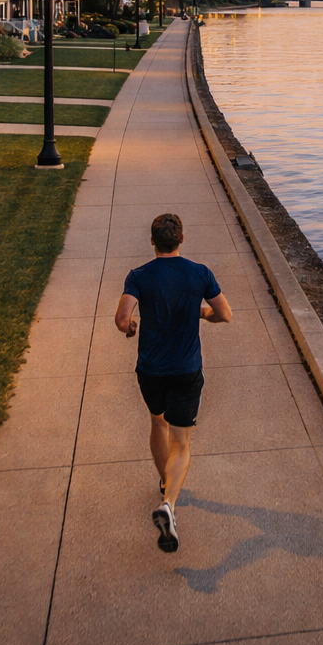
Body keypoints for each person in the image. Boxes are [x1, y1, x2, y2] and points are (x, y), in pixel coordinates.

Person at [115, 212, 232, 553]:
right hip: (185, 370)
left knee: (157, 422)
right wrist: (200, 312)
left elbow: (123, 318)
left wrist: (131, 327)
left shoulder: (139, 276)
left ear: (153, 242)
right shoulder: (199, 273)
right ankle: (169, 504)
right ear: (181, 239)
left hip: (150, 370)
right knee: (181, 442)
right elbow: (225, 314)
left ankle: (165, 482)